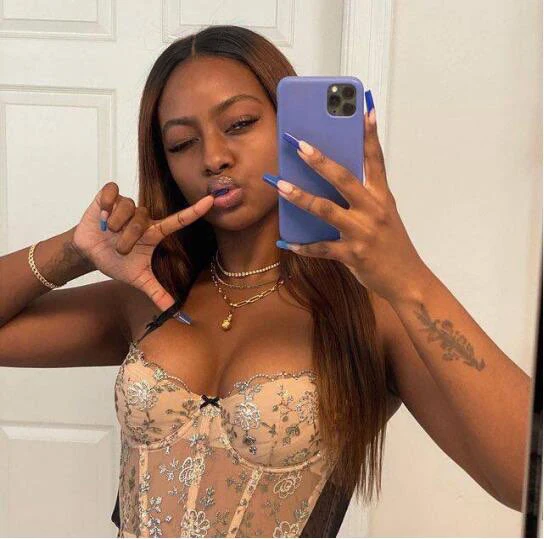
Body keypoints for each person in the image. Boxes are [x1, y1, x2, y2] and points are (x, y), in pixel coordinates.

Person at [0, 24, 531, 538]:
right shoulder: (154, 296)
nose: (214, 158)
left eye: (239, 124)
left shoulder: (369, 313)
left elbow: (527, 480)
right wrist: (74, 251)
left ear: (291, 127)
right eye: (182, 143)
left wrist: (410, 277)